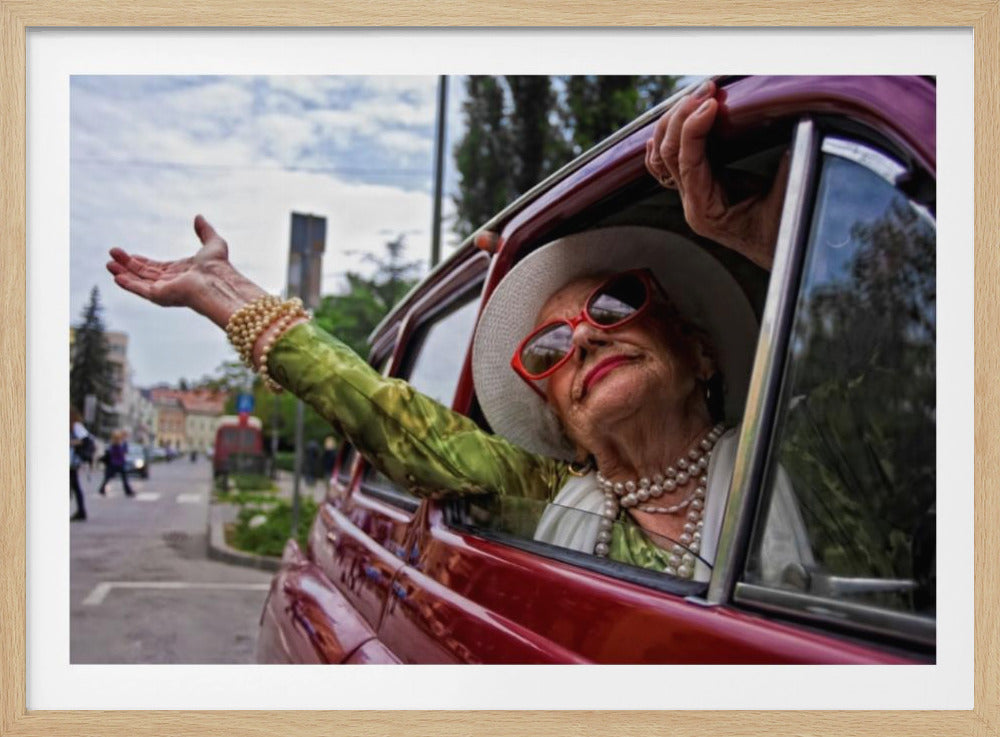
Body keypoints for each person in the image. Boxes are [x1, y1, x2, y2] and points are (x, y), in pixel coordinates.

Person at [107, 80, 795, 581]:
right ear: (557, 419)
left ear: (699, 350)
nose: (582, 339)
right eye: (548, 350)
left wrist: (777, 245)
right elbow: (393, 419)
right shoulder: (539, 495)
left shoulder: (799, 454)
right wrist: (225, 294)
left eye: (613, 307)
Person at [98, 429, 136, 497]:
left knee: (108, 478)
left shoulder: (113, 444)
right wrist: (124, 444)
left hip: (114, 464)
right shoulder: (117, 445)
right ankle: (128, 491)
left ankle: (102, 489)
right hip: (118, 464)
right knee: (123, 478)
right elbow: (123, 452)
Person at [70, 408, 90, 521]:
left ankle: (81, 511)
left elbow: (85, 440)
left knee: (75, 486)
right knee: (73, 486)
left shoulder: (76, 426)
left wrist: (70, 442)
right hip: (70, 461)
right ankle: (81, 511)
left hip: (72, 461)